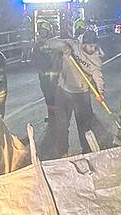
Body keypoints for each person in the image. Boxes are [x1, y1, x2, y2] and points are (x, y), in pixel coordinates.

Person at [46, 29, 105, 158]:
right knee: (61, 125)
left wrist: (100, 92)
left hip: (82, 95)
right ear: (83, 43)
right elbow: (51, 43)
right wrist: (64, 47)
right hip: (63, 91)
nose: (92, 48)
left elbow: (98, 75)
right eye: (90, 46)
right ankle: (63, 153)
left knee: (85, 127)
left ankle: (87, 153)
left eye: (94, 46)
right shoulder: (73, 45)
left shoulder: (96, 58)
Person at [33, 25, 63, 126]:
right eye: (41, 32)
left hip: (54, 74)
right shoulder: (37, 45)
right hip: (43, 75)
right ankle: (51, 116)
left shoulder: (54, 43)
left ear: (48, 32)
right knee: (47, 95)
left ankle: (57, 115)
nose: (42, 34)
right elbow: (35, 59)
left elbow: (59, 57)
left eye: (44, 32)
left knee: (55, 95)